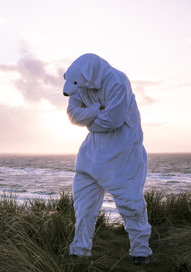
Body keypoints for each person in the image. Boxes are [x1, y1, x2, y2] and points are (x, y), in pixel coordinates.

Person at [62, 53, 152, 265]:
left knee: (130, 204)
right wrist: (96, 110)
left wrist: (90, 122)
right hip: (91, 154)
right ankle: (79, 250)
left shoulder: (117, 81)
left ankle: (141, 251)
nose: (71, 90)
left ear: (87, 75)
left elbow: (113, 120)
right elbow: (73, 115)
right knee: (83, 206)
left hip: (122, 153)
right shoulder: (80, 85)